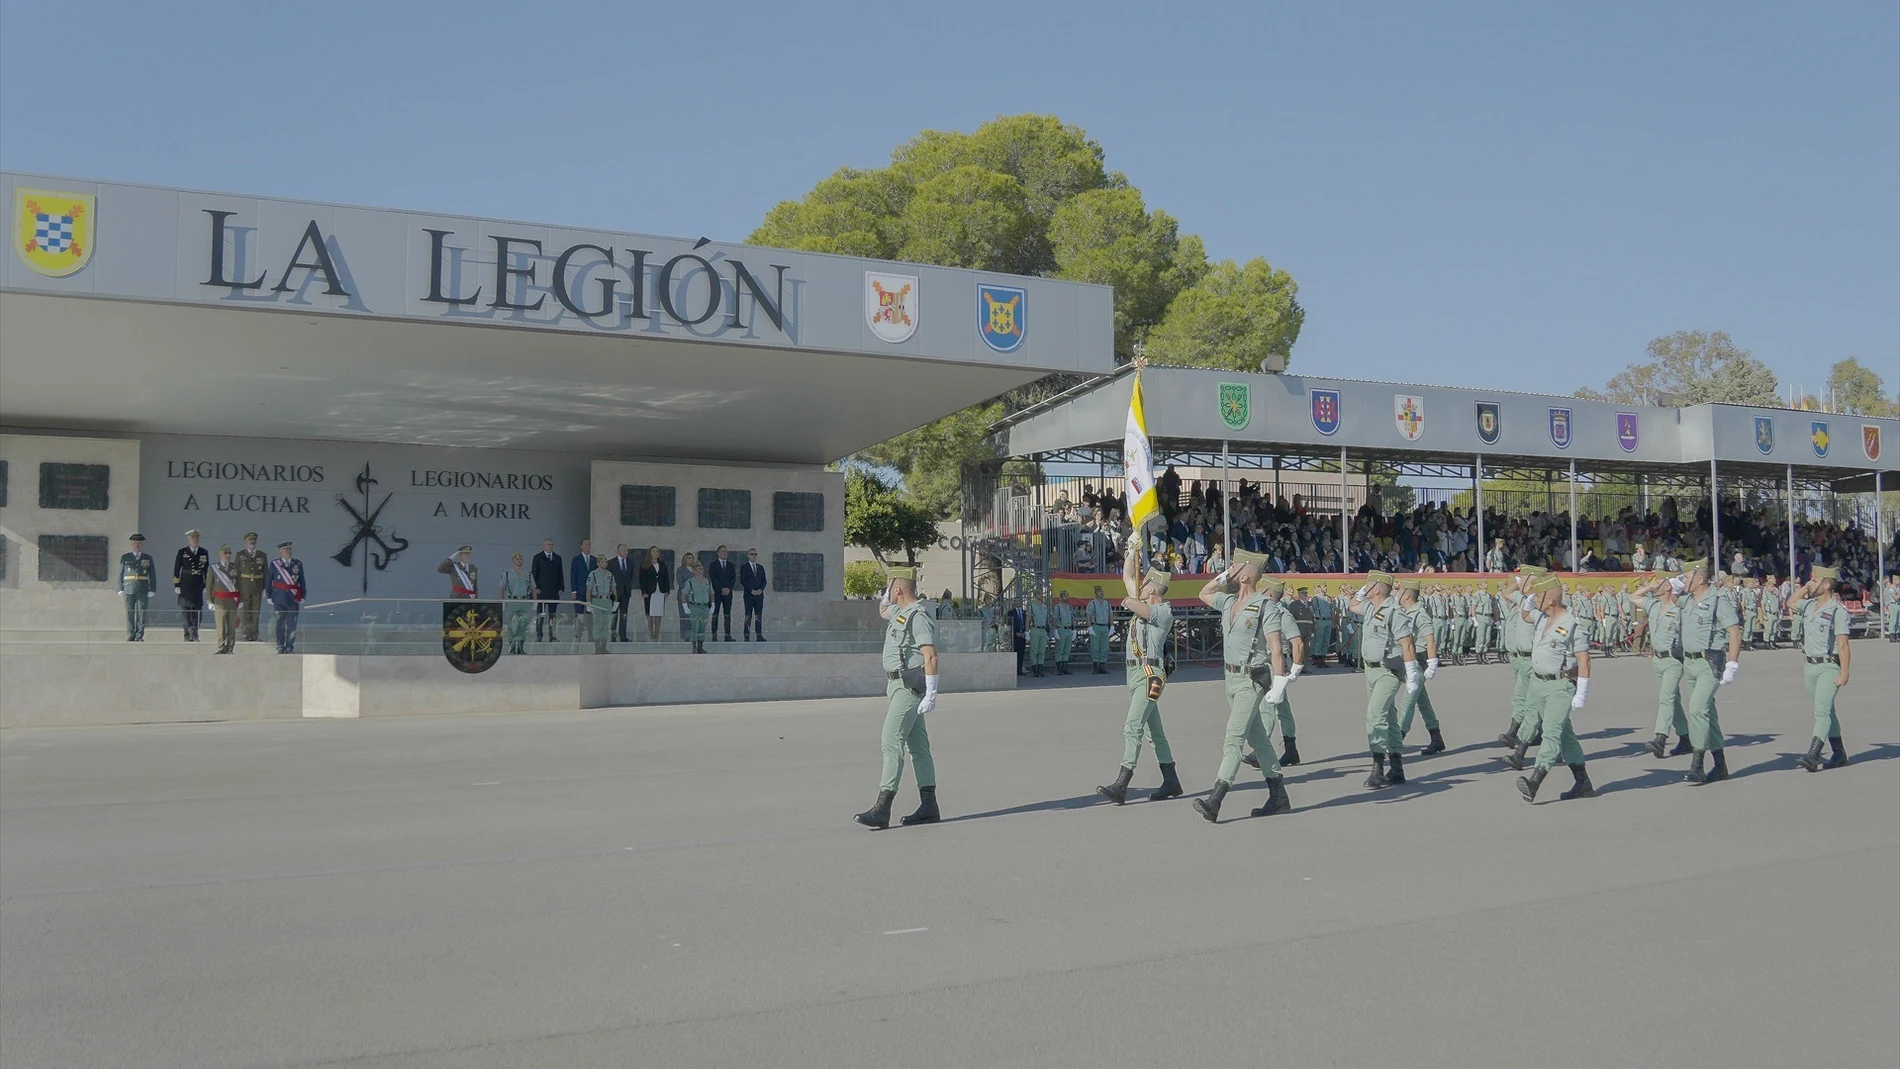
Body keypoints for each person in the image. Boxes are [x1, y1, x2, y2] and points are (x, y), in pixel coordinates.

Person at [1190, 551, 1294, 821]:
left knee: (1233, 738)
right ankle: (1279, 795)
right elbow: (1204, 592)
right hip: (1230, 678)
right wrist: (1224, 576)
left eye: (1234, 567)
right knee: (1257, 738)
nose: (1230, 570)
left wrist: (1280, 683)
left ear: (1246, 574)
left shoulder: (1265, 606)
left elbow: (1275, 648)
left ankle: (1217, 798)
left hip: (1251, 678)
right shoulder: (1228, 601)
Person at [853, 567, 941, 830]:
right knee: (918, 748)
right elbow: (882, 611)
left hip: (908, 688)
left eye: (890, 587)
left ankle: (883, 806)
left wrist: (932, 693)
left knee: (891, 740)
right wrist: (884, 594)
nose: (888, 592)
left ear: (899, 589)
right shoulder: (899, 613)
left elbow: (931, 656)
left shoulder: (918, 616)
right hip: (896, 686)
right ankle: (929, 805)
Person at [1096, 552, 1183, 805]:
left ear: (1154, 588)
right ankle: (1171, 779)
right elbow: (1127, 575)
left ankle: (1122, 783)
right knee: (1154, 731)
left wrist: (1128, 598)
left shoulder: (1163, 611)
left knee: (1132, 726)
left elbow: (1132, 603)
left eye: (1146, 585)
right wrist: (1131, 550)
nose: (1141, 586)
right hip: (1134, 674)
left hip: (1150, 675)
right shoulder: (1144, 602)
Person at [1512, 575, 1597, 802]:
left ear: (1550, 600)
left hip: (1559, 687)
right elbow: (1525, 615)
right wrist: (1530, 599)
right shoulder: (1542, 617)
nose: (1535, 599)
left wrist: (1581, 693)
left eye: (1539, 595)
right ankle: (1583, 782)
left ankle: (1534, 781)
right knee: (1565, 735)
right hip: (1539, 684)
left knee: (1550, 733)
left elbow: (1584, 660)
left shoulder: (1571, 625)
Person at [1350, 570, 1418, 789]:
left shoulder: (1394, 612)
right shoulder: (1370, 607)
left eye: (1367, 585)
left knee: (1375, 715)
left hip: (1388, 671)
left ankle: (1377, 768)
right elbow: (1352, 606)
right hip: (1370, 671)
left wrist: (1412, 674)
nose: (1365, 587)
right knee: (1388, 717)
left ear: (1377, 589)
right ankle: (1397, 768)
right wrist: (1360, 593)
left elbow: (1407, 644)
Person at [1679, 559, 1742, 784]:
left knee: (1696, 709)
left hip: (1709, 662)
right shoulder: (1686, 601)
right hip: (1690, 663)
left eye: (1686, 578)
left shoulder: (1718, 601)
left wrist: (1733, 664)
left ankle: (1697, 763)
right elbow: (1657, 597)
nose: (1682, 581)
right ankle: (1720, 764)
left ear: (1700, 579)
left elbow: (1734, 632)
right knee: (1708, 714)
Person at [1788, 567, 1852, 771]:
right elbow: (1790, 602)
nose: (1810, 584)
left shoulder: (1837, 610)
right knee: (1827, 711)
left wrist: (1844, 672)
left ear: (1826, 585)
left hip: (1828, 666)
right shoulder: (1808, 606)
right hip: (1810, 666)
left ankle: (1813, 755)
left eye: (1814, 581)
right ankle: (1839, 753)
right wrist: (1806, 587)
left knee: (1821, 712)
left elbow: (1843, 644)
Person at [1635, 573, 1693, 759]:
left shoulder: (1680, 609)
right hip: (1657, 659)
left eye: (1661, 582)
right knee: (1672, 700)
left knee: (1666, 697)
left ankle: (1660, 738)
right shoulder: (1653, 605)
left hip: (1673, 660)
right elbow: (1633, 597)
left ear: (1669, 588)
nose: (1656, 584)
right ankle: (1685, 738)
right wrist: (1650, 586)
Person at [1497, 566, 1548, 753]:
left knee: (1533, 701)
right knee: (1522, 698)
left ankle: (1519, 734)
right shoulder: (1523, 598)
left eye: (1525, 579)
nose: (1521, 581)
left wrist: (1529, 581)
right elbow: (1506, 593)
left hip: (1533, 659)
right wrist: (1518, 582)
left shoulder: (1539, 602)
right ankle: (1527, 733)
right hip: (1521, 657)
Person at [1393, 577, 1446, 755]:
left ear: (1407, 594)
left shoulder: (1420, 613)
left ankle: (1398, 738)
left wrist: (1432, 666)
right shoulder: (1407, 612)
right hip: (1412, 659)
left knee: (1408, 702)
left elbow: (1431, 640)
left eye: (1400, 591)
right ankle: (1436, 737)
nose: (1397, 594)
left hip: (1420, 661)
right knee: (1422, 702)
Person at [268, 541, 306, 654]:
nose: (289, 551)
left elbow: (302, 580)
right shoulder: (275, 564)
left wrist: (303, 595)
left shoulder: (297, 564)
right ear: (281, 551)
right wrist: (269, 595)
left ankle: (289, 646)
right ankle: (280, 646)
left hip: (293, 598)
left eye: (290, 549)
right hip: (279, 598)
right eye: (286, 549)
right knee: (280, 623)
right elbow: (269, 580)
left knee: (292, 624)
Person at [173, 529, 209, 641]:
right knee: (186, 611)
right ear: (188, 539)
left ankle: (195, 632)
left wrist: (206, 585)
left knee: (197, 611)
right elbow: (176, 568)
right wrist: (177, 585)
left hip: (198, 584)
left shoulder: (203, 552)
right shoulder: (182, 551)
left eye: (196, 537)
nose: (195, 539)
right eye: (192, 537)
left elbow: (206, 570)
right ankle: (187, 634)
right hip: (185, 584)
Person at [118, 534, 156, 641]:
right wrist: (120, 588)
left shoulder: (147, 558)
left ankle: (139, 635)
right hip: (129, 588)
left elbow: (152, 574)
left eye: (139, 543)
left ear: (142, 544)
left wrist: (152, 588)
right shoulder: (125, 557)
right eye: (135, 543)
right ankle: (131, 634)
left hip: (142, 588)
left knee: (141, 613)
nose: (137, 545)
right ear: (132, 544)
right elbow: (120, 573)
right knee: (130, 612)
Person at [206, 544, 242, 654]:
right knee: (221, 626)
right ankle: (221, 647)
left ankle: (230, 648)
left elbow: (240, 584)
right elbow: (209, 585)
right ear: (220, 554)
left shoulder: (235, 567)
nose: (227, 555)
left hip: (232, 601)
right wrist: (209, 600)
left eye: (229, 553)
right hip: (219, 601)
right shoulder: (214, 568)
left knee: (231, 626)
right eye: (225, 553)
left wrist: (241, 600)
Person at [234, 532, 268, 642]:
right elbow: (236, 572)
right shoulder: (240, 555)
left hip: (257, 587)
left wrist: (265, 588)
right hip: (244, 587)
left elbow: (265, 572)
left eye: (254, 540)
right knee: (245, 612)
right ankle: (245, 634)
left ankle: (254, 635)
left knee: (255, 612)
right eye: (250, 540)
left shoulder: (262, 555)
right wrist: (236, 588)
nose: (252, 542)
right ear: (246, 541)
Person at [499, 552, 533, 655]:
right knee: (512, 625)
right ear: (513, 561)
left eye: (520, 559)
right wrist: (502, 601)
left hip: (524, 601)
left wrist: (534, 602)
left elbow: (533, 588)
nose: (519, 561)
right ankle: (513, 647)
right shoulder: (507, 573)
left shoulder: (528, 574)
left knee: (523, 624)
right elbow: (501, 588)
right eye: (517, 559)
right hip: (512, 601)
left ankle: (521, 647)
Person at [531, 538, 564, 642]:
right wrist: (536, 588)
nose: (550, 546)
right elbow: (534, 574)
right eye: (549, 544)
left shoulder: (557, 558)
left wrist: (561, 587)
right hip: (542, 591)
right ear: (544, 546)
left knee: (552, 615)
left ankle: (552, 635)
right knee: (540, 614)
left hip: (553, 591)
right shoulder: (537, 557)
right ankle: (539, 635)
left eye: (552, 544)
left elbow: (560, 574)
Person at [584, 555, 617, 654]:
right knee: (597, 624)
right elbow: (589, 589)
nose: (604, 564)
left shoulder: (610, 575)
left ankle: (604, 646)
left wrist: (615, 601)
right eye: (602, 562)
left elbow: (613, 588)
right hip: (597, 600)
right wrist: (588, 603)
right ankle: (597, 647)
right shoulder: (593, 574)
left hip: (607, 600)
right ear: (598, 563)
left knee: (606, 624)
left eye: (605, 562)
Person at [704, 546, 737, 642]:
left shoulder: (731, 565)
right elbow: (713, 578)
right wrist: (721, 588)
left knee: (727, 614)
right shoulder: (713, 564)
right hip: (717, 593)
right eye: (723, 551)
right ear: (718, 553)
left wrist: (728, 588)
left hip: (728, 593)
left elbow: (733, 578)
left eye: (726, 551)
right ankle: (714, 635)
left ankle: (727, 635)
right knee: (715, 614)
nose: (725, 553)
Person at [640, 546, 670, 642]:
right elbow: (642, 579)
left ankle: (657, 633)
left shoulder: (662, 564)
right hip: (649, 592)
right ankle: (651, 633)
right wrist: (644, 592)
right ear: (650, 553)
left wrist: (667, 591)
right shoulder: (645, 565)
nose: (656, 553)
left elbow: (666, 577)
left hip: (660, 591)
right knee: (650, 613)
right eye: (654, 551)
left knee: (658, 613)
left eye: (657, 551)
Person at [569, 538, 598, 637]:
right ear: (581, 546)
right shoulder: (576, 559)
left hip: (591, 592)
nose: (587, 546)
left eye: (589, 544)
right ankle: (578, 634)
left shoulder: (594, 560)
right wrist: (574, 590)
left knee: (590, 615)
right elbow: (573, 575)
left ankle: (591, 635)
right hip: (580, 591)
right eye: (585, 544)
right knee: (579, 614)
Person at [683, 561, 714, 653]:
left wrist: (713, 605)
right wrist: (685, 607)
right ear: (694, 570)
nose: (701, 570)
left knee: (702, 628)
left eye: (702, 568)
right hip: (694, 607)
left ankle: (700, 647)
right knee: (694, 628)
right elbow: (684, 595)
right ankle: (694, 647)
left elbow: (711, 593)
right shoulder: (690, 582)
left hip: (704, 607)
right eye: (699, 569)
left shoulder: (707, 581)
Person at [741, 548, 769, 641]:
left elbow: (764, 580)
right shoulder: (744, 567)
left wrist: (761, 589)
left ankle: (759, 635)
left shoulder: (760, 567)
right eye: (752, 554)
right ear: (748, 555)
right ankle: (746, 635)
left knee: (758, 615)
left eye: (755, 554)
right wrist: (751, 590)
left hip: (759, 596)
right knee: (748, 615)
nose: (754, 556)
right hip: (749, 595)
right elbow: (743, 580)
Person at [1086, 585, 1113, 673]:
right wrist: (1089, 627)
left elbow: (1110, 615)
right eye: (1099, 591)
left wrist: (1112, 626)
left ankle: (1102, 666)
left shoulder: (1107, 603)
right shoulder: (1092, 604)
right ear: (1095, 593)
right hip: (1095, 626)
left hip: (1104, 626)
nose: (1102, 593)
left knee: (1104, 648)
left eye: (1102, 591)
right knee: (1095, 648)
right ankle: (1095, 666)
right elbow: (1088, 616)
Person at [674, 552, 699, 642]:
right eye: (689, 558)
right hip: (684, 596)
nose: (691, 560)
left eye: (692, 558)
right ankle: (686, 635)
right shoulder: (680, 569)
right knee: (684, 616)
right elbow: (680, 582)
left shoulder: (696, 570)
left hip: (694, 597)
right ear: (685, 559)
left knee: (693, 617)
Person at [1026, 594, 1050, 677]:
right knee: (1034, 651)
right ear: (1035, 596)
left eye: (1041, 594)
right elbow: (1027, 620)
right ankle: (1034, 669)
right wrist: (1027, 632)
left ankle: (1040, 668)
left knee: (1042, 651)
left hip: (1043, 630)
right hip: (1035, 629)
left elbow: (1047, 619)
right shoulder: (1032, 607)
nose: (1041, 596)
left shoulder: (1045, 607)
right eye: (1039, 594)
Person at [1051, 596, 1076, 675]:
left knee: (1067, 650)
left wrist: (1074, 630)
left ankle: (1065, 668)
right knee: (1059, 650)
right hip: (1060, 629)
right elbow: (1054, 620)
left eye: (1067, 596)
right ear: (1061, 598)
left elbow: (1073, 619)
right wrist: (1055, 631)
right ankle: (1059, 668)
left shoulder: (1070, 608)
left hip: (1069, 629)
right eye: (1064, 596)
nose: (1066, 598)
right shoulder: (1057, 607)